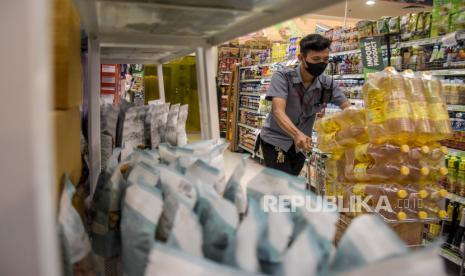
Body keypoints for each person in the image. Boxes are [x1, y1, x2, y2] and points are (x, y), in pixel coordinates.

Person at [260, 34, 351, 176]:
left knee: (291, 183)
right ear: (301, 57)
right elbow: (278, 111)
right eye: (316, 59)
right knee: (280, 186)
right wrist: (297, 134)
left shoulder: (327, 84)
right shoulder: (283, 77)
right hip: (276, 141)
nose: (321, 63)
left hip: (301, 145)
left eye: (325, 59)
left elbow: (349, 108)